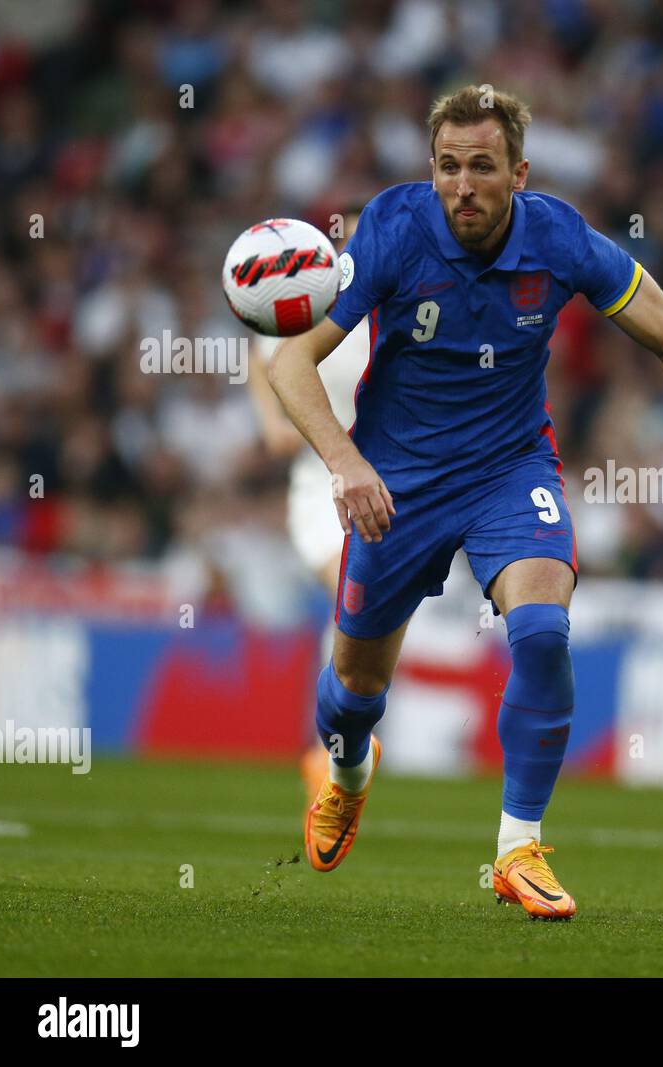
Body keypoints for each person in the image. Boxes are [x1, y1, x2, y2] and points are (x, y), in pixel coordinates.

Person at [268, 86, 663, 920]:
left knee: (542, 631)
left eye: (481, 167)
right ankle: (349, 772)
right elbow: (294, 363)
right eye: (447, 167)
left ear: (519, 173)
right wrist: (346, 463)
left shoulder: (559, 237)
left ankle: (518, 847)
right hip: (396, 484)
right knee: (355, 687)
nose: (462, 185)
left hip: (511, 470)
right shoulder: (393, 229)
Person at [245, 209, 370, 808]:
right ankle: (331, 748)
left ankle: (336, 742)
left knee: (363, 609)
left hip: (391, 487)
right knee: (349, 587)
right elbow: (271, 414)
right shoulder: (293, 319)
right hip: (319, 490)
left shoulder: (397, 309)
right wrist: (304, 426)